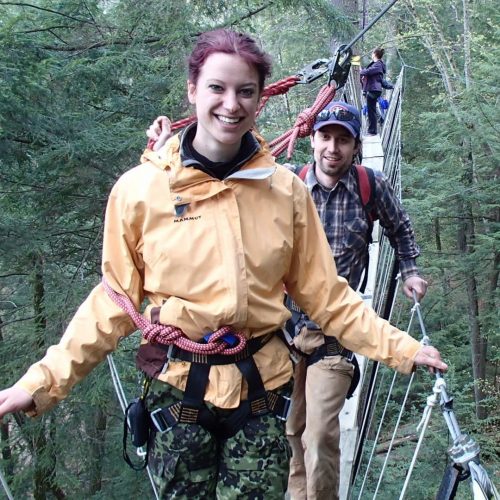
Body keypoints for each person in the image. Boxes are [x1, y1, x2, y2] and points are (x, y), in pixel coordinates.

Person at [0, 30, 446, 500]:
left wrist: (402, 349)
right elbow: (113, 302)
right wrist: (42, 383)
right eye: (217, 87)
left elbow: (327, 296)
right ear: (192, 90)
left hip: (261, 392)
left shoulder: (285, 191)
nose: (231, 104)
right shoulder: (139, 192)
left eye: (245, 91)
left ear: (260, 101)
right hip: (180, 389)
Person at [283, 101, 428, 500]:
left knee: (321, 436)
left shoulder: (370, 185)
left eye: (343, 140)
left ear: (355, 147)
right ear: (312, 141)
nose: (333, 148)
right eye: (326, 137)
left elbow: (400, 228)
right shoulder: (288, 185)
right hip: (284, 332)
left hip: (337, 333)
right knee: (292, 431)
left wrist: (410, 271)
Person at [360, 47, 387, 136]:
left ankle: (372, 131)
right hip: (374, 90)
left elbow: (368, 72)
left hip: (373, 90)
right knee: (372, 110)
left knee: (371, 111)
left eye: (372, 53)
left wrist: (361, 71)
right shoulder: (378, 64)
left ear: (375, 54)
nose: (371, 55)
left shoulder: (377, 64)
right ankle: (373, 129)